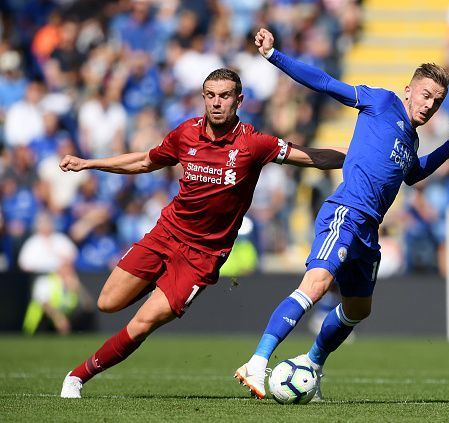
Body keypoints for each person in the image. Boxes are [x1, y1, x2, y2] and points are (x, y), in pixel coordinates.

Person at [59, 68, 347, 398]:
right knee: (107, 303)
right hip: (165, 234)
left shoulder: (254, 143)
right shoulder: (186, 134)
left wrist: (359, 160)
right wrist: (88, 163)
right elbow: (144, 161)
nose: (216, 103)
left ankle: (76, 378)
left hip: (201, 257)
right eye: (210, 95)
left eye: (224, 96)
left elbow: (313, 157)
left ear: (239, 101)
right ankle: (158, 280)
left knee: (142, 323)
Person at [235, 28, 449, 401]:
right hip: (345, 214)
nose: (429, 105)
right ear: (409, 90)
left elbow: (413, 174)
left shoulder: (410, 139)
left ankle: (313, 364)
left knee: (358, 309)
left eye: (438, 101)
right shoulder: (381, 102)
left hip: (369, 231)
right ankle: (258, 361)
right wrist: (274, 56)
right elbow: (327, 83)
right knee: (315, 285)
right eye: (426, 95)